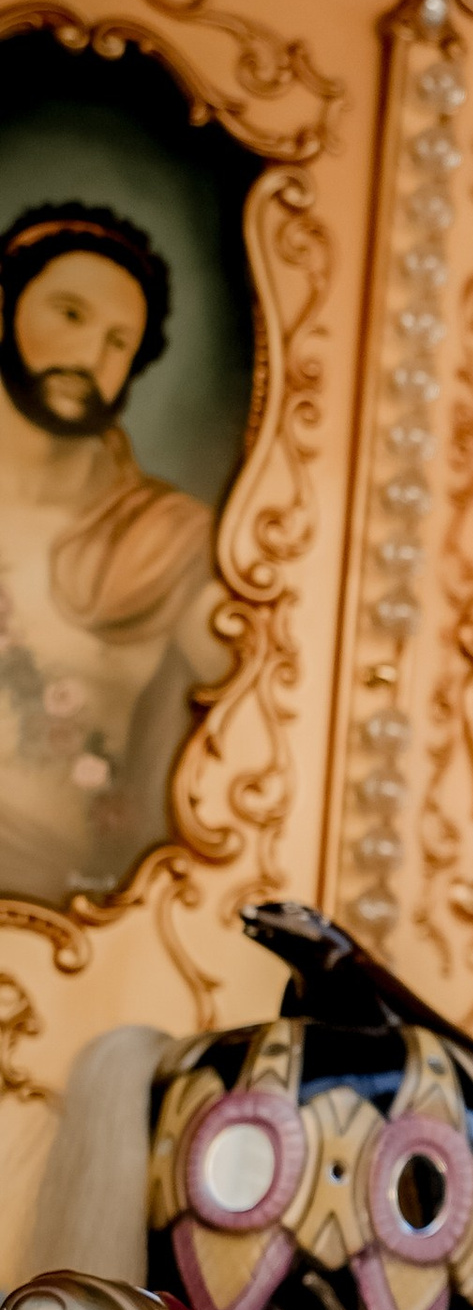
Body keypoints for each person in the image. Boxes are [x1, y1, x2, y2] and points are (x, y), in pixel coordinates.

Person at [0, 200, 225, 908]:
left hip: (68, 931)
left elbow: (272, 688)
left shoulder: (166, 539)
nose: (91, 356)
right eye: (70, 315)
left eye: (118, 341)